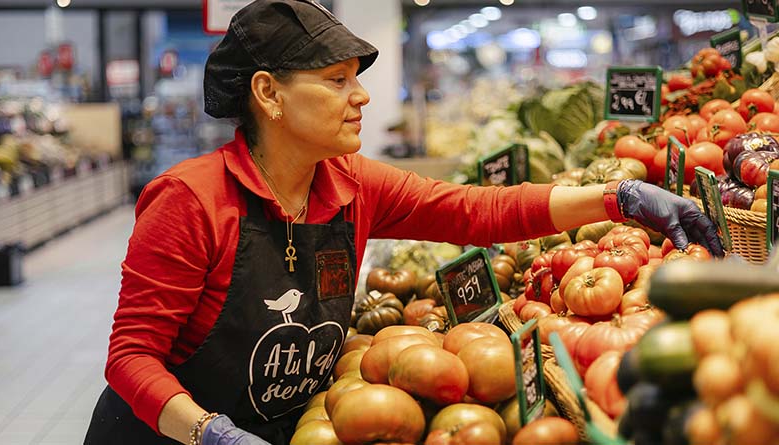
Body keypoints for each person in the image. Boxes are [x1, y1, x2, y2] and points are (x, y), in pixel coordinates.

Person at [84, 1, 723, 444]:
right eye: (336, 81)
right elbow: (131, 357)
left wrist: (618, 197)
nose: (359, 95)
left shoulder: (351, 183)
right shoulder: (190, 201)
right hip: (166, 436)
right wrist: (208, 433)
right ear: (268, 94)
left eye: (355, 80)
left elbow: (479, 211)